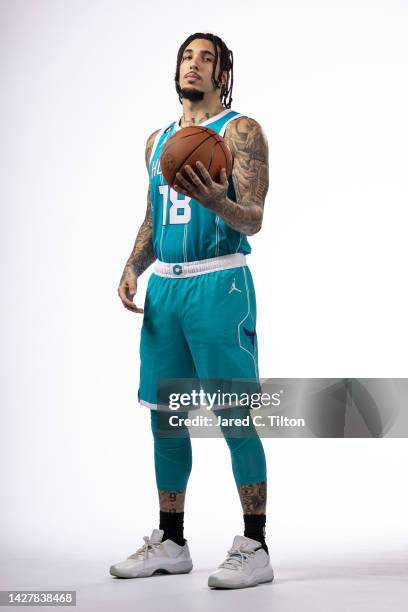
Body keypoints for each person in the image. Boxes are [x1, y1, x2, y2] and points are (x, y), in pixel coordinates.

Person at [111, 32, 272, 590]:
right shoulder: (158, 141)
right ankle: (172, 541)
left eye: (207, 58)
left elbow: (251, 218)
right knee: (165, 416)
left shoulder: (241, 132)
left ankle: (255, 544)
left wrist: (217, 202)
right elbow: (154, 218)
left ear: (223, 73)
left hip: (219, 283)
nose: (194, 65)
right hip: (166, 291)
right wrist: (134, 265)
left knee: (234, 415)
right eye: (187, 56)